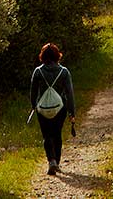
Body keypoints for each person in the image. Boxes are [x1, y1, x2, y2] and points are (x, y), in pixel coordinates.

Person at [29, 42, 75, 175]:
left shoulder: (38, 71)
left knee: (46, 135)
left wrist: (34, 106)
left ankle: (51, 161)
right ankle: (57, 163)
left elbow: (33, 92)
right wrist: (72, 112)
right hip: (60, 108)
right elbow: (69, 93)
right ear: (57, 56)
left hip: (42, 108)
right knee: (57, 135)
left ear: (42, 56)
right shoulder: (64, 72)